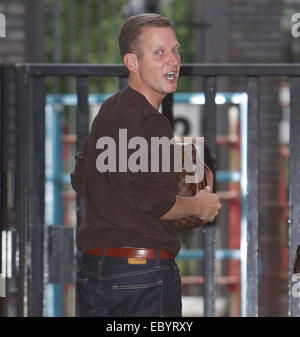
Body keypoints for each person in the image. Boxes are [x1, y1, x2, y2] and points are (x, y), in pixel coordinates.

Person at [71, 13, 221, 317]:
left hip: (94, 271)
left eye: (176, 50)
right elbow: (153, 200)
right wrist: (199, 206)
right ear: (132, 62)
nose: (173, 61)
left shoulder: (110, 109)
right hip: (144, 275)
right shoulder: (152, 122)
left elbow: (80, 179)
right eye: (159, 52)